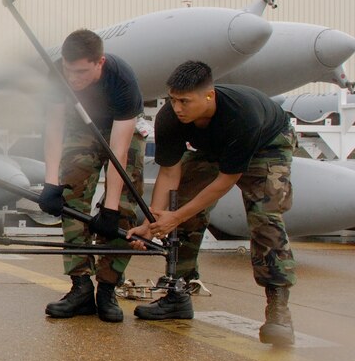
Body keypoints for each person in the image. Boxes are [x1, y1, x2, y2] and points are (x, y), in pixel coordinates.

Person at [127, 60, 297, 346]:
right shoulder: (170, 118)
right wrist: (153, 222)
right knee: (182, 207)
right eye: (172, 100)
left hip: (267, 145)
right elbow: (169, 173)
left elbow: (226, 181)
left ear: (210, 95)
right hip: (214, 149)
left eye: (185, 101)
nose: (177, 108)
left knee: (266, 221)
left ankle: (278, 309)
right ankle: (178, 293)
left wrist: (175, 217)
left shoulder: (243, 115)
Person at [37, 29, 145, 323]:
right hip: (80, 129)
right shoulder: (57, 75)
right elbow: (54, 128)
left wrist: (109, 209)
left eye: (82, 72)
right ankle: (81, 286)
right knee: (70, 199)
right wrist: (51, 182)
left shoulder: (122, 80)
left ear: (100, 62)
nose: (74, 79)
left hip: (120, 131)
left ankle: (107, 287)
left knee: (123, 208)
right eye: (69, 71)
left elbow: (118, 153)